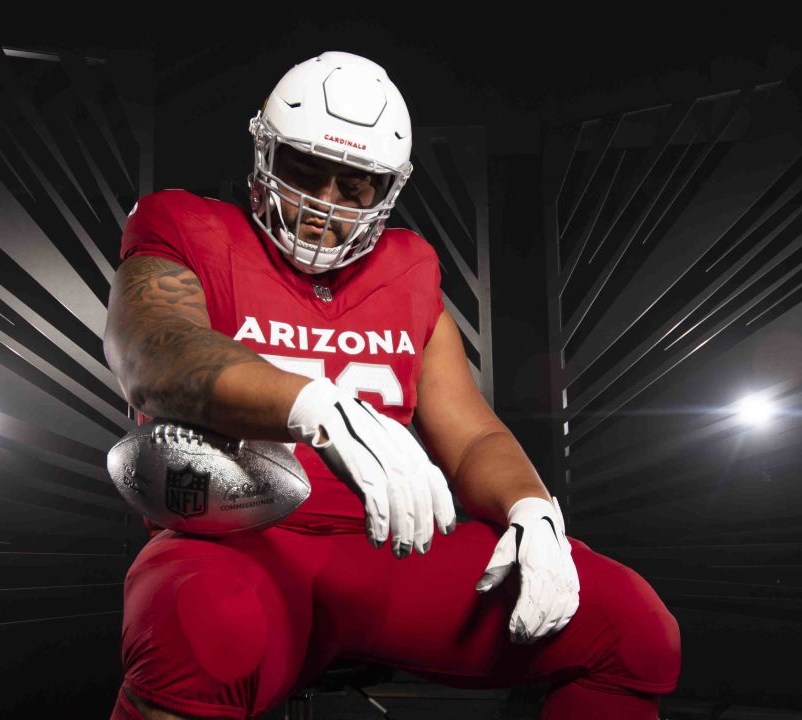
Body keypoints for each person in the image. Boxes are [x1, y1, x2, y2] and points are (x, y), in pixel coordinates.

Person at [103, 51, 680, 720]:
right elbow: (155, 352)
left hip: (387, 548)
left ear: (388, 191)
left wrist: (531, 508)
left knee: (633, 627)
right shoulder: (187, 228)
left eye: (355, 187)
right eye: (306, 171)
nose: (324, 207)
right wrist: (311, 405)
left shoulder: (408, 268)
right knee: (200, 628)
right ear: (264, 151)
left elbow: (469, 436)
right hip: (238, 542)